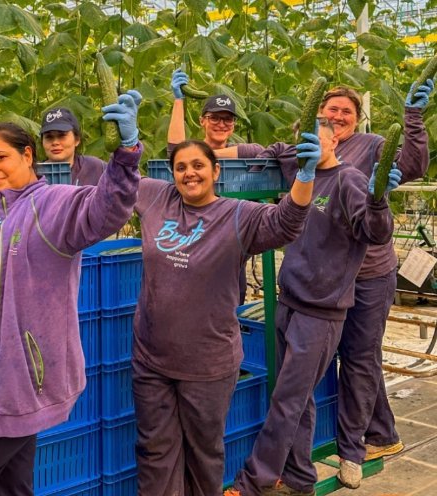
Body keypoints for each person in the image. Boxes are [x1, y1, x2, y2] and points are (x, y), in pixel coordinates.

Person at [0, 91, 143, 495]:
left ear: (28, 155)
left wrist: (126, 153)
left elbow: (106, 210)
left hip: (0, 385)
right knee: (10, 489)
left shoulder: (50, 205)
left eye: (1, 158)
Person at [220, 80, 433, 487]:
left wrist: (413, 121)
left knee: (359, 358)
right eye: (329, 112)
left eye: (344, 113)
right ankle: (349, 449)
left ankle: (352, 449)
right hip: (311, 284)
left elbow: (409, 171)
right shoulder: (305, 154)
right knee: (321, 375)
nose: (335, 119)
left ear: (354, 120)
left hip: (365, 274)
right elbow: (260, 153)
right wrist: (208, 149)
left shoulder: (366, 152)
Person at [131, 135, 316, 495]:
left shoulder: (236, 214)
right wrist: (126, 144)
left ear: (216, 170)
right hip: (151, 360)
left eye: (198, 165)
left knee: (203, 454)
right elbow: (116, 185)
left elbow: (286, 224)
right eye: (181, 167)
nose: (189, 173)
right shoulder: (156, 197)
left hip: (207, 365)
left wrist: (304, 178)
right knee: (154, 452)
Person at [168, 69, 264, 304]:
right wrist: (179, 100)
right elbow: (173, 151)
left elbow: (258, 151)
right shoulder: (188, 152)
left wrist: (204, 156)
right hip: (194, 242)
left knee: (232, 303)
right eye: (214, 118)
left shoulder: (241, 152)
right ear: (202, 121)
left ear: (233, 125)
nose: (221, 124)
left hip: (231, 247)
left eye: (227, 119)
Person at [40, 107, 106, 186]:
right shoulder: (33, 174)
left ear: (77, 140)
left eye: (62, 135)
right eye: (49, 137)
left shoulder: (96, 168)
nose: (55, 142)